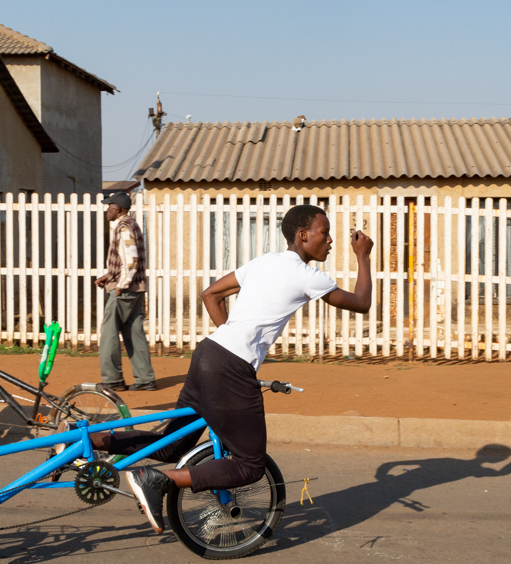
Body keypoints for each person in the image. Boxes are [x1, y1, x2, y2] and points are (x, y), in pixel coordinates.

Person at [90, 203, 374, 533]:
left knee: (171, 446)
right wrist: (363, 256)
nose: (330, 241)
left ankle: (83, 442)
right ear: (303, 235)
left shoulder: (265, 261)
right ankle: (157, 479)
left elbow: (210, 294)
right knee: (250, 465)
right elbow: (362, 302)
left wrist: (230, 340)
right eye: (324, 234)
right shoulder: (307, 275)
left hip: (208, 354)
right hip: (228, 368)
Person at [95, 191, 156, 392]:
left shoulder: (123, 229)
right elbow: (127, 260)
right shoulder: (132, 224)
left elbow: (130, 261)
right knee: (134, 332)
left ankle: (113, 380)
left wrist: (120, 285)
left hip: (126, 290)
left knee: (109, 334)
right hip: (136, 288)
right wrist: (109, 276)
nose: (107, 210)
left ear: (118, 209)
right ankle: (145, 379)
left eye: (109, 206)